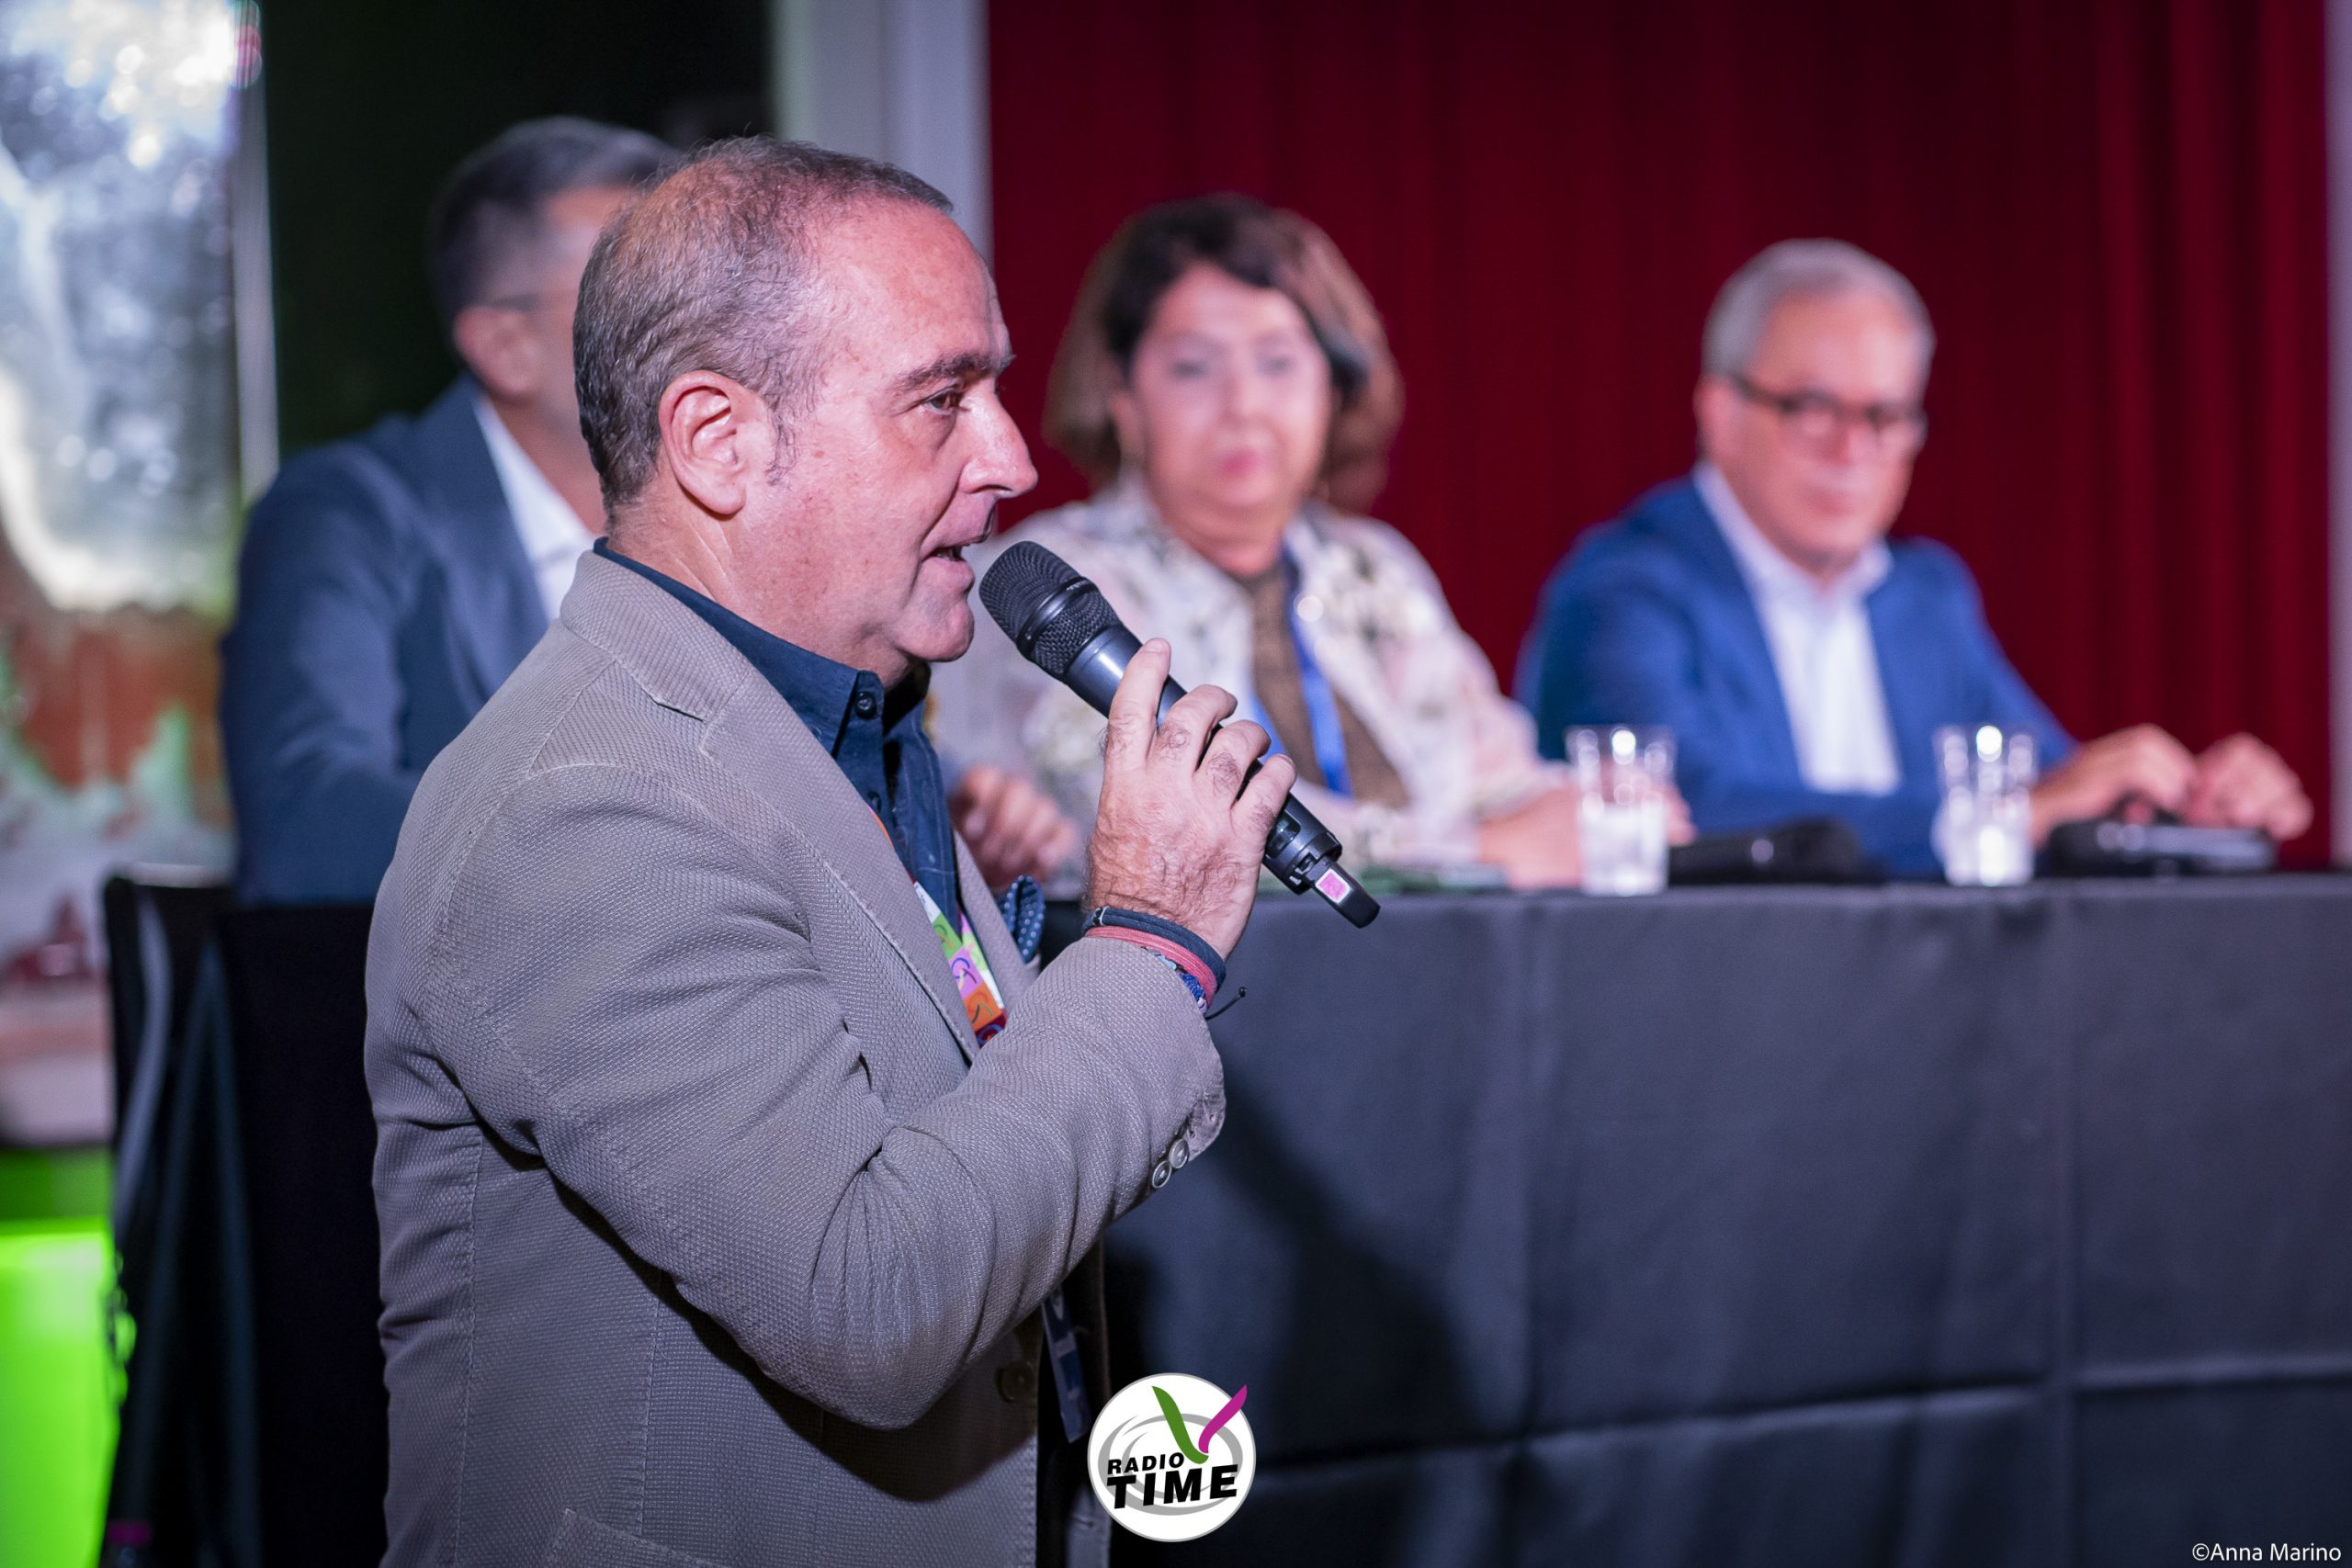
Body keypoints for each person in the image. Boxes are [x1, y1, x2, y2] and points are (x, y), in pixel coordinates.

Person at [368, 139, 1294, 1567]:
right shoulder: (588, 801)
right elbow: (870, 1304)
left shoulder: (851, 714)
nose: (1012, 458)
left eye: (994, 388)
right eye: (941, 400)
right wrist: (1148, 939)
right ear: (718, 441)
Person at [214, 117, 1082, 902]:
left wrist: (937, 804)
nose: (694, 317)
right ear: (503, 345)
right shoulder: (346, 513)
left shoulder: (719, 512)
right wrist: (670, 835)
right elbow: (307, 821)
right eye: (624, 288)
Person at [1518, 239, 2310, 875]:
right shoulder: (1622, 591)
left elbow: (2052, 786)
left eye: (1885, 416)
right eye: (1813, 408)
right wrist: (2000, 818)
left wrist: (2175, 803)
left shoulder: (1926, 596)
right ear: (1722, 416)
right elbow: (1682, 810)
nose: (1852, 452)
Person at [933, 195, 1609, 890]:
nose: (1244, 406)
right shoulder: (1056, 587)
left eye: (1278, 362)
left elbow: (1503, 778)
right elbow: (1182, 828)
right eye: (1194, 367)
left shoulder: (1373, 567)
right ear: (1121, 395)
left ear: (1333, 389)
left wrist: (1600, 811)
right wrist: (1480, 852)